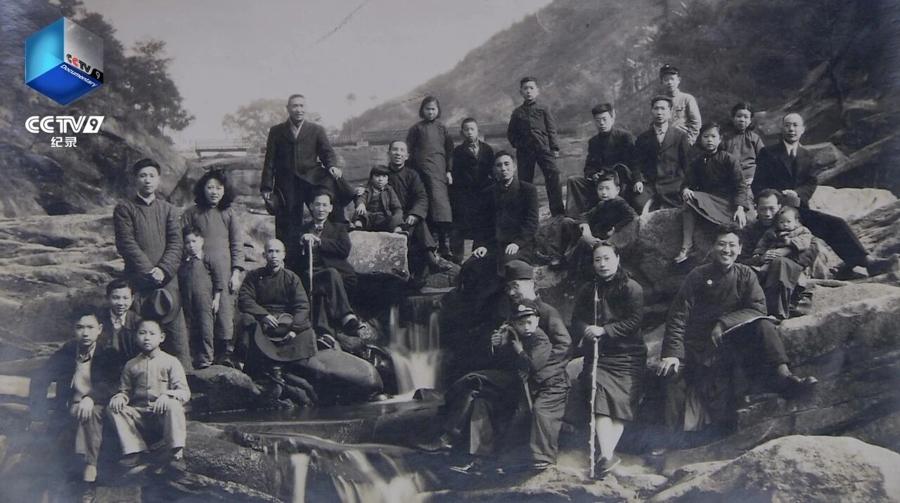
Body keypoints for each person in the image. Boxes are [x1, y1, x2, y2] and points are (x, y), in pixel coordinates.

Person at [657, 225, 817, 445]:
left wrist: (723, 323)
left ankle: (785, 376)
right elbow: (678, 316)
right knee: (672, 376)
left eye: (732, 245)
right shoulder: (697, 276)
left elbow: (757, 308)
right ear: (713, 247)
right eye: (722, 244)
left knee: (764, 325)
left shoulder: (745, 274)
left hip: (729, 341)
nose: (727, 250)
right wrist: (672, 354)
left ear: (740, 249)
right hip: (698, 343)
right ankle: (664, 443)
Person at [422, 300, 567, 472]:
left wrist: (518, 349)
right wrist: (497, 345)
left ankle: (448, 432)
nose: (526, 327)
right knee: (479, 401)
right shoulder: (513, 334)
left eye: (529, 322)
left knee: (474, 380)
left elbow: (532, 365)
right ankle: (477, 457)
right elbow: (500, 361)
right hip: (515, 383)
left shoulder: (539, 338)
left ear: (537, 320)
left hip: (534, 384)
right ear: (514, 324)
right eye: (521, 323)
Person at [752, 113, 899, 278]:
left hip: (800, 209)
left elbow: (811, 182)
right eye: (787, 125)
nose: (791, 129)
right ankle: (852, 266)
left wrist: (798, 195)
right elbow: (757, 184)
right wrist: (778, 197)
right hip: (775, 212)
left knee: (836, 224)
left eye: (795, 125)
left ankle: (867, 262)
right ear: (782, 128)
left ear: (803, 129)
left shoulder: (806, 155)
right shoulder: (768, 153)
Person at [237, 239, 383, 401]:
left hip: (286, 322)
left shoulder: (291, 278)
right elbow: (244, 298)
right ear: (264, 255)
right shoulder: (254, 277)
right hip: (264, 321)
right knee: (246, 321)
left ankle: (289, 366)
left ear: (283, 255)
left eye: (277, 252)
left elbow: (302, 306)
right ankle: (258, 366)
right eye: (270, 252)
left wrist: (294, 330)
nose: (274, 255)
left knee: (306, 332)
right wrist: (263, 315)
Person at [570, 242, 645, 479]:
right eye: (597, 260)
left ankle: (606, 455)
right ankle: (607, 455)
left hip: (627, 354)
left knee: (621, 402)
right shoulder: (588, 290)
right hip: (599, 355)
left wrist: (605, 330)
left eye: (607, 258)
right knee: (599, 398)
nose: (602, 264)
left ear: (617, 259)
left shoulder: (632, 288)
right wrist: (587, 329)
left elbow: (634, 321)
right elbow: (576, 320)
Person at [29, 312, 127, 483]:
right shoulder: (68, 351)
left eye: (90, 327)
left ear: (99, 329)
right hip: (70, 405)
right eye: (80, 328)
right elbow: (40, 378)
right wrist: (38, 415)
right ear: (74, 330)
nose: (85, 333)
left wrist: (91, 398)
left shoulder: (108, 353)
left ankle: (89, 470)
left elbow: (113, 384)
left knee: (88, 416)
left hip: (99, 406)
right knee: (50, 447)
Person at [113, 158, 190, 369]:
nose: (147, 180)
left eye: (151, 175)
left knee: (174, 334)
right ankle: (139, 377)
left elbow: (176, 243)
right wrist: (149, 270)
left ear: (158, 180)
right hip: (138, 280)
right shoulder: (124, 208)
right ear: (135, 179)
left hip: (168, 281)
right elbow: (126, 243)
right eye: (143, 175)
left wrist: (163, 270)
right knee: (142, 331)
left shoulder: (169, 209)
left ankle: (182, 379)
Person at [260, 94, 351, 263]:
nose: (298, 109)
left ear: (306, 108)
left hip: (311, 180)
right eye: (295, 106)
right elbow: (269, 160)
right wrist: (266, 186)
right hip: (287, 184)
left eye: (302, 106)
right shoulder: (276, 131)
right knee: (288, 222)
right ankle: (289, 263)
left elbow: (327, 152)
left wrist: (332, 165)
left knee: (324, 208)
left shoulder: (316, 130)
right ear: (288, 109)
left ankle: (330, 254)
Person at [355, 141, 447, 283]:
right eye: (395, 150)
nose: (398, 153)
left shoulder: (412, 175)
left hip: (406, 216)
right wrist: (360, 190)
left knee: (420, 223)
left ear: (407, 156)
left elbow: (421, 197)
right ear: (389, 153)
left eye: (402, 150)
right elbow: (369, 187)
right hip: (387, 217)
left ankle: (431, 259)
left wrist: (415, 214)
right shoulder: (382, 173)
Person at [107, 319, 190, 474]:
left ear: (161, 337)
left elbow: (184, 393)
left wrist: (167, 395)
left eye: (152, 334)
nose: (147, 338)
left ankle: (176, 453)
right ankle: (135, 450)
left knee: (174, 405)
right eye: (142, 333)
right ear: (136, 337)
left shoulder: (171, 362)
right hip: (139, 418)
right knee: (113, 408)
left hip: (161, 417)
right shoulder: (131, 365)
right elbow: (125, 390)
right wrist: (120, 397)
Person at [182, 168, 244, 366]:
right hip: (198, 268)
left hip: (223, 269)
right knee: (201, 308)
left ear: (225, 190)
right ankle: (200, 352)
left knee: (224, 309)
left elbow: (237, 244)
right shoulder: (191, 213)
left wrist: (236, 272)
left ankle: (224, 352)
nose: (214, 192)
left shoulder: (229, 213)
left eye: (218, 188)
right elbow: (182, 240)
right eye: (210, 187)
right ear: (203, 189)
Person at [297, 191, 372, 353]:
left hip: (339, 277)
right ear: (311, 207)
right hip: (312, 276)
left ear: (330, 208)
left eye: (325, 205)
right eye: (317, 205)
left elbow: (344, 250)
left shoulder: (338, 228)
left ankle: (326, 334)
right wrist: (302, 243)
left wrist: (320, 242)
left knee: (324, 288)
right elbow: (292, 257)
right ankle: (346, 317)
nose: (321, 209)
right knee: (326, 279)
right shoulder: (302, 230)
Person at [675, 122, 750, 264]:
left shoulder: (729, 159)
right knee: (688, 201)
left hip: (727, 202)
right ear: (700, 139)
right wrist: (685, 189)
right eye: (706, 136)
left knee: (739, 226)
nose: (709, 140)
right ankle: (687, 246)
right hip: (708, 201)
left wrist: (740, 208)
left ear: (720, 139)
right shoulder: (697, 161)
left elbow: (740, 185)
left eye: (713, 136)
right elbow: (687, 182)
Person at [555, 171, 637, 273]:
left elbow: (632, 216)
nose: (604, 192)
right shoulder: (602, 204)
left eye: (607, 188)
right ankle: (560, 255)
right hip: (595, 236)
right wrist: (586, 231)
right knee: (567, 222)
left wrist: (615, 228)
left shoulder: (620, 203)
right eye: (600, 189)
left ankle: (567, 263)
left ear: (617, 190)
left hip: (608, 241)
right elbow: (585, 216)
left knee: (583, 241)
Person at [565, 103, 638, 216]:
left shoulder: (624, 137)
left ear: (612, 118)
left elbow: (634, 162)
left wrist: (635, 179)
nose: (601, 123)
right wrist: (593, 174)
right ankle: (576, 216)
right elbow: (589, 166)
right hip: (600, 181)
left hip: (619, 180)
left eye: (604, 119)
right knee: (573, 180)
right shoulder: (593, 141)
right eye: (598, 120)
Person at [507, 76, 565, 216]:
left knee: (553, 175)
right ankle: (527, 213)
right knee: (525, 181)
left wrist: (554, 148)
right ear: (521, 92)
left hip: (543, 149)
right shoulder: (517, 113)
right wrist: (519, 144)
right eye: (525, 88)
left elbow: (551, 129)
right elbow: (511, 133)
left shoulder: (543, 109)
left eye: (531, 88)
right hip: (525, 152)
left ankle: (557, 212)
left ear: (537, 91)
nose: (528, 91)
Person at [406, 96, 455, 259]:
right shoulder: (416, 129)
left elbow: (449, 151)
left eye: (433, 109)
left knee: (441, 205)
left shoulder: (443, 129)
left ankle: (445, 243)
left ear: (438, 110)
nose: (430, 112)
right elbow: (409, 151)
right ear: (422, 110)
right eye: (427, 109)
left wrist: (448, 171)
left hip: (439, 171)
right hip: (420, 171)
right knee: (427, 204)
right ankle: (431, 245)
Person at [470, 151, 539, 266]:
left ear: (514, 167)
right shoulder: (488, 193)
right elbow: (482, 224)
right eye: (499, 165)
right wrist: (481, 245)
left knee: (507, 265)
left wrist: (517, 243)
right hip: (493, 245)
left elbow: (531, 222)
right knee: (471, 265)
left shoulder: (528, 190)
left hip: (520, 245)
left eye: (507, 164)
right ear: (494, 170)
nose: (503, 169)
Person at [749, 206, 815, 319]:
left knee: (787, 273)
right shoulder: (772, 232)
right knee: (762, 270)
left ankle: (782, 309)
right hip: (771, 259)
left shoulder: (801, 231)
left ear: (796, 221)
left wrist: (790, 243)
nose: (785, 224)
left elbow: (805, 242)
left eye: (788, 222)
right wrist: (759, 254)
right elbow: (763, 243)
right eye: (781, 222)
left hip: (791, 262)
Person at [632, 96, 692, 213]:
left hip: (674, 183)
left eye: (663, 109)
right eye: (656, 108)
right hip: (650, 185)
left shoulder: (680, 136)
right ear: (652, 111)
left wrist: (686, 186)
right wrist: (638, 180)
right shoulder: (643, 138)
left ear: (670, 112)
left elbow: (687, 164)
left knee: (679, 210)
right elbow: (636, 163)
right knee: (638, 203)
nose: (659, 112)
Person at [449, 118, 495, 262]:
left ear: (477, 131)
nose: (469, 132)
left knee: (481, 226)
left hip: (483, 193)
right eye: (466, 129)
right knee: (459, 227)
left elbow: (492, 171)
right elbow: (455, 173)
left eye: (472, 129)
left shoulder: (487, 149)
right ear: (461, 133)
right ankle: (457, 260)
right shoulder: (458, 152)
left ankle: (477, 259)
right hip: (465, 195)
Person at [178, 226, 224, 369]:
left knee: (205, 328)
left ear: (202, 241)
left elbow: (218, 281)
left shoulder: (207, 259)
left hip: (204, 301)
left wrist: (216, 299)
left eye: (194, 241)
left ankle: (206, 357)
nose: (191, 245)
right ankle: (190, 358)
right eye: (187, 242)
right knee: (189, 328)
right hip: (186, 301)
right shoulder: (183, 262)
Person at [721, 102, 766, 186]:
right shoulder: (725, 138)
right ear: (733, 118)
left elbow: (764, 160)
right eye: (739, 116)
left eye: (746, 117)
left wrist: (755, 178)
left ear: (750, 120)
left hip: (751, 179)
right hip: (730, 179)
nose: (742, 120)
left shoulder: (754, 138)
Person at [97, 279, 141, 360]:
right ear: (107, 298)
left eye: (125, 298)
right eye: (116, 298)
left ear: (132, 299)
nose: (120, 303)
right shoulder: (98, 319)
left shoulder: (138, 322)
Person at [350, 166, 403, 232]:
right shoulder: (367, 189)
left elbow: (396, 205)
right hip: (368, 216)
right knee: (360, 213)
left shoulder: (389, 190)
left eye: (384, 176)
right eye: (377, 176)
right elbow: (362, 198)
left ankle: (397, 230)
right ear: (371, 178)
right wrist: (361, 204)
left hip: (383, 217)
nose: (380, 179)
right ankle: (358, 226)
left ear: (387, 180)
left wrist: (397, 215)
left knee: (396, 218)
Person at [658, 64, 701, 144]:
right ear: (661, 82)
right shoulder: (659, 101)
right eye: (666, 79)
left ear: (678, 80)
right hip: (664, 142)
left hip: (683, 140)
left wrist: (689, 141)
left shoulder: (687, 99)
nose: (669, 82)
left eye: (672, 79)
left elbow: (696, 123)